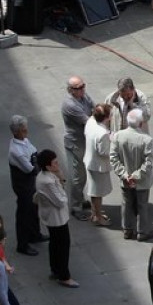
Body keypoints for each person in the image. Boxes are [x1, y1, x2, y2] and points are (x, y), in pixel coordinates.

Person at [33, 150, 79, 288]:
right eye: (55, 162)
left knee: (54, 243)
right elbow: (60, 200)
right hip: (56, 218)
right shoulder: (47, 181)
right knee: (63, 245)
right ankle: (64, 276)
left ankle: (55, 269)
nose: (57, 164)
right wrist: (63, 190)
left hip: (51, 217)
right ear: (48, 166)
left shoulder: (44, 176)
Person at [109, 109, 153, 242]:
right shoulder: (146, 139)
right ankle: (142, 232)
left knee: (126, 203)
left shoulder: (118, 136)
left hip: (125, 179)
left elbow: (113, 158)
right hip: (142, 180)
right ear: (140, 123)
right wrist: (136, 176)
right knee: (142, 205)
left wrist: (125, 175)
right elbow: (148, 162)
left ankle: (127, 230)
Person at [7, 115, 43, 256]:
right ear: (16, 132)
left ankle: (35, 234)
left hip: (30, 183)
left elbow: (35, 154)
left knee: (34, 209)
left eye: (26, 129)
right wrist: (35, 160)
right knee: (24, 213)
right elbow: (31, 169)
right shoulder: (16, 151)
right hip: (23, 185)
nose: (26, 132)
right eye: (23, 130)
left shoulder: (24, 141)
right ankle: (22, 244)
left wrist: (35, 159)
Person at [60, 76, 94, 220]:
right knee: (76, 176)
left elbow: (94, 108)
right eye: (78, 88)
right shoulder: (70, 105)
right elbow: (88, 121)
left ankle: (80, 199)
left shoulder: (84, 97)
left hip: (83, 141)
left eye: (83, 86)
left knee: (82, 174)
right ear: (70, 90)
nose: (82, 89)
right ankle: (75, 206)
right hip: (75, 143)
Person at [83, 104, 114, 226]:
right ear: (106, 117)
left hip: (90, 161)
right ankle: (98, 217)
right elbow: (104, 152)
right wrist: (112, 140)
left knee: (93, 190)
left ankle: (95, 212)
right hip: (98, 165)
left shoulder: (90, 121)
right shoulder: (102, 133)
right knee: (98, 193)